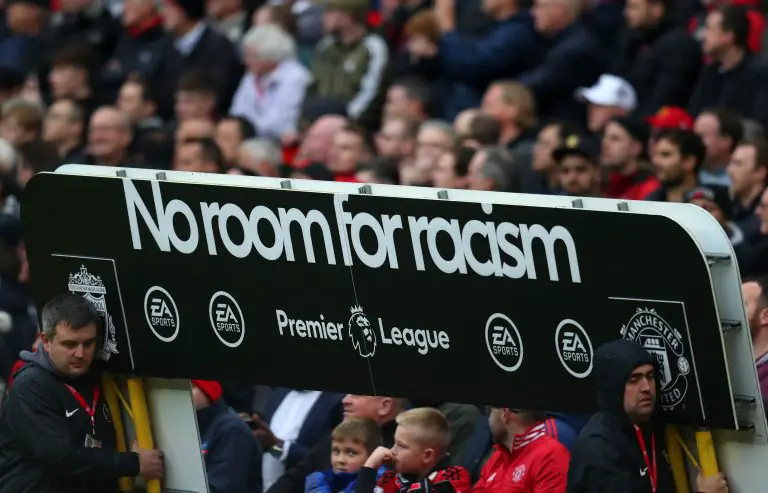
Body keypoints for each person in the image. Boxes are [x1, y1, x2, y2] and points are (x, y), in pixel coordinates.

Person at [0, 293, 164, 493]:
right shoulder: (30, 386)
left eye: (88, 343)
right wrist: (132, 464)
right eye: (69, 344)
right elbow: (61, 458)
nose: (80, 354)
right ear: (45, 340)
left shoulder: (95, 375)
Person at [566, 339, 729, 493]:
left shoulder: (650, 426)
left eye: (650, 376)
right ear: (613, 387)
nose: (646, 387)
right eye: (633, 379)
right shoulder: (599, 450)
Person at [355, 407, 471, 493]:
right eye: (394, 443)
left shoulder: (453, 476)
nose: (392, 450)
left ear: (427, 456)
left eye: (401, 446)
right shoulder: (390, 478)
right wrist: (369, 468)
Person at [474, 408, 569, 493]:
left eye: (491, 411)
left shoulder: (550, 455)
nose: (489, 419)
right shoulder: (497, 457)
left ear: (504, 414)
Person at [305, 418, 385, 493]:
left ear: (372, 456)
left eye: (351, 453)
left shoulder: (382, 482)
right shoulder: (320, 481)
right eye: (336, 451)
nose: (340, 460)